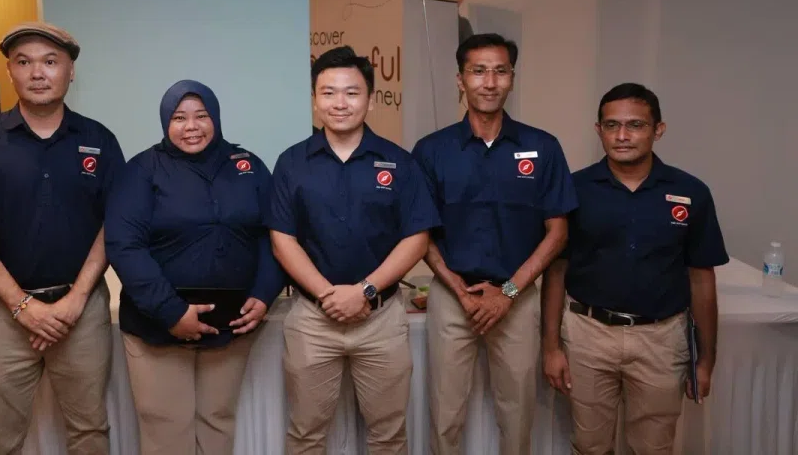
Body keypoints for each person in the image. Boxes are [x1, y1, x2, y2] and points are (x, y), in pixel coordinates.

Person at [0, 21, 123, 455]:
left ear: (70, 71)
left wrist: (74, 301)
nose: (38, 72)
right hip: (4, 315)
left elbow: (114, 224)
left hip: (82, 312)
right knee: (1, 439)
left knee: (90, 432)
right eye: (24, 62)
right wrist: (23, 307)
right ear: (10, 72)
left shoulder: (99, 140)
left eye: (50, 61)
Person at [267, 46, 441, 455]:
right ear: (315, 99)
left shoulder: (399, 162)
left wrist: (364, 291)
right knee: (305, 434)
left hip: (381, 319)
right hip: (313, 319)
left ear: (370, 99)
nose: (339, 103)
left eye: (351, 92)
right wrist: (328, 295)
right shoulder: (291, 163)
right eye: (328, 93)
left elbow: (417, 238)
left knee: (388, 435)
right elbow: (282, 240)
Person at [411, 32, 577, 455]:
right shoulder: (431, 151)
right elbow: (421, 234)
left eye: (500, 71)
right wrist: (458, 290)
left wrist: (508, 292)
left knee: (518, 414)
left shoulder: (542, 147)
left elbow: (558, 232)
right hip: (453, 296)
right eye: (478, 71)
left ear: (512, 78)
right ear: (460, 79)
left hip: (516, 297)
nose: (489, 82)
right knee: (445, 416)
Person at [541, 83, 728, 454]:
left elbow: (701, 279)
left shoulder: (691, 192)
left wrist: (706, 360)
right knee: (589, 445)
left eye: (635, 125)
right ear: (599, 130)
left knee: (653, 447)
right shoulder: (574, 189)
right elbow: (556, 270)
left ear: (658, 129)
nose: (622, 136)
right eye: (612, 125)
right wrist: (550, 348)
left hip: (661, 339)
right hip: (588, 334)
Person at [104, 80, 285, 455]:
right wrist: (171, 312)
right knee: (167, 432)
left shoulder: (247, 166)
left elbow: (273, 235)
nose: (191, 127)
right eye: (179, 118)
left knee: (218, 424)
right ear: (165, 122)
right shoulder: (142, 170)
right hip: (157, 325)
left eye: (201, 116)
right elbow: (125, 246)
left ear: (215, 117)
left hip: (230, 323)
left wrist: (264, 293)